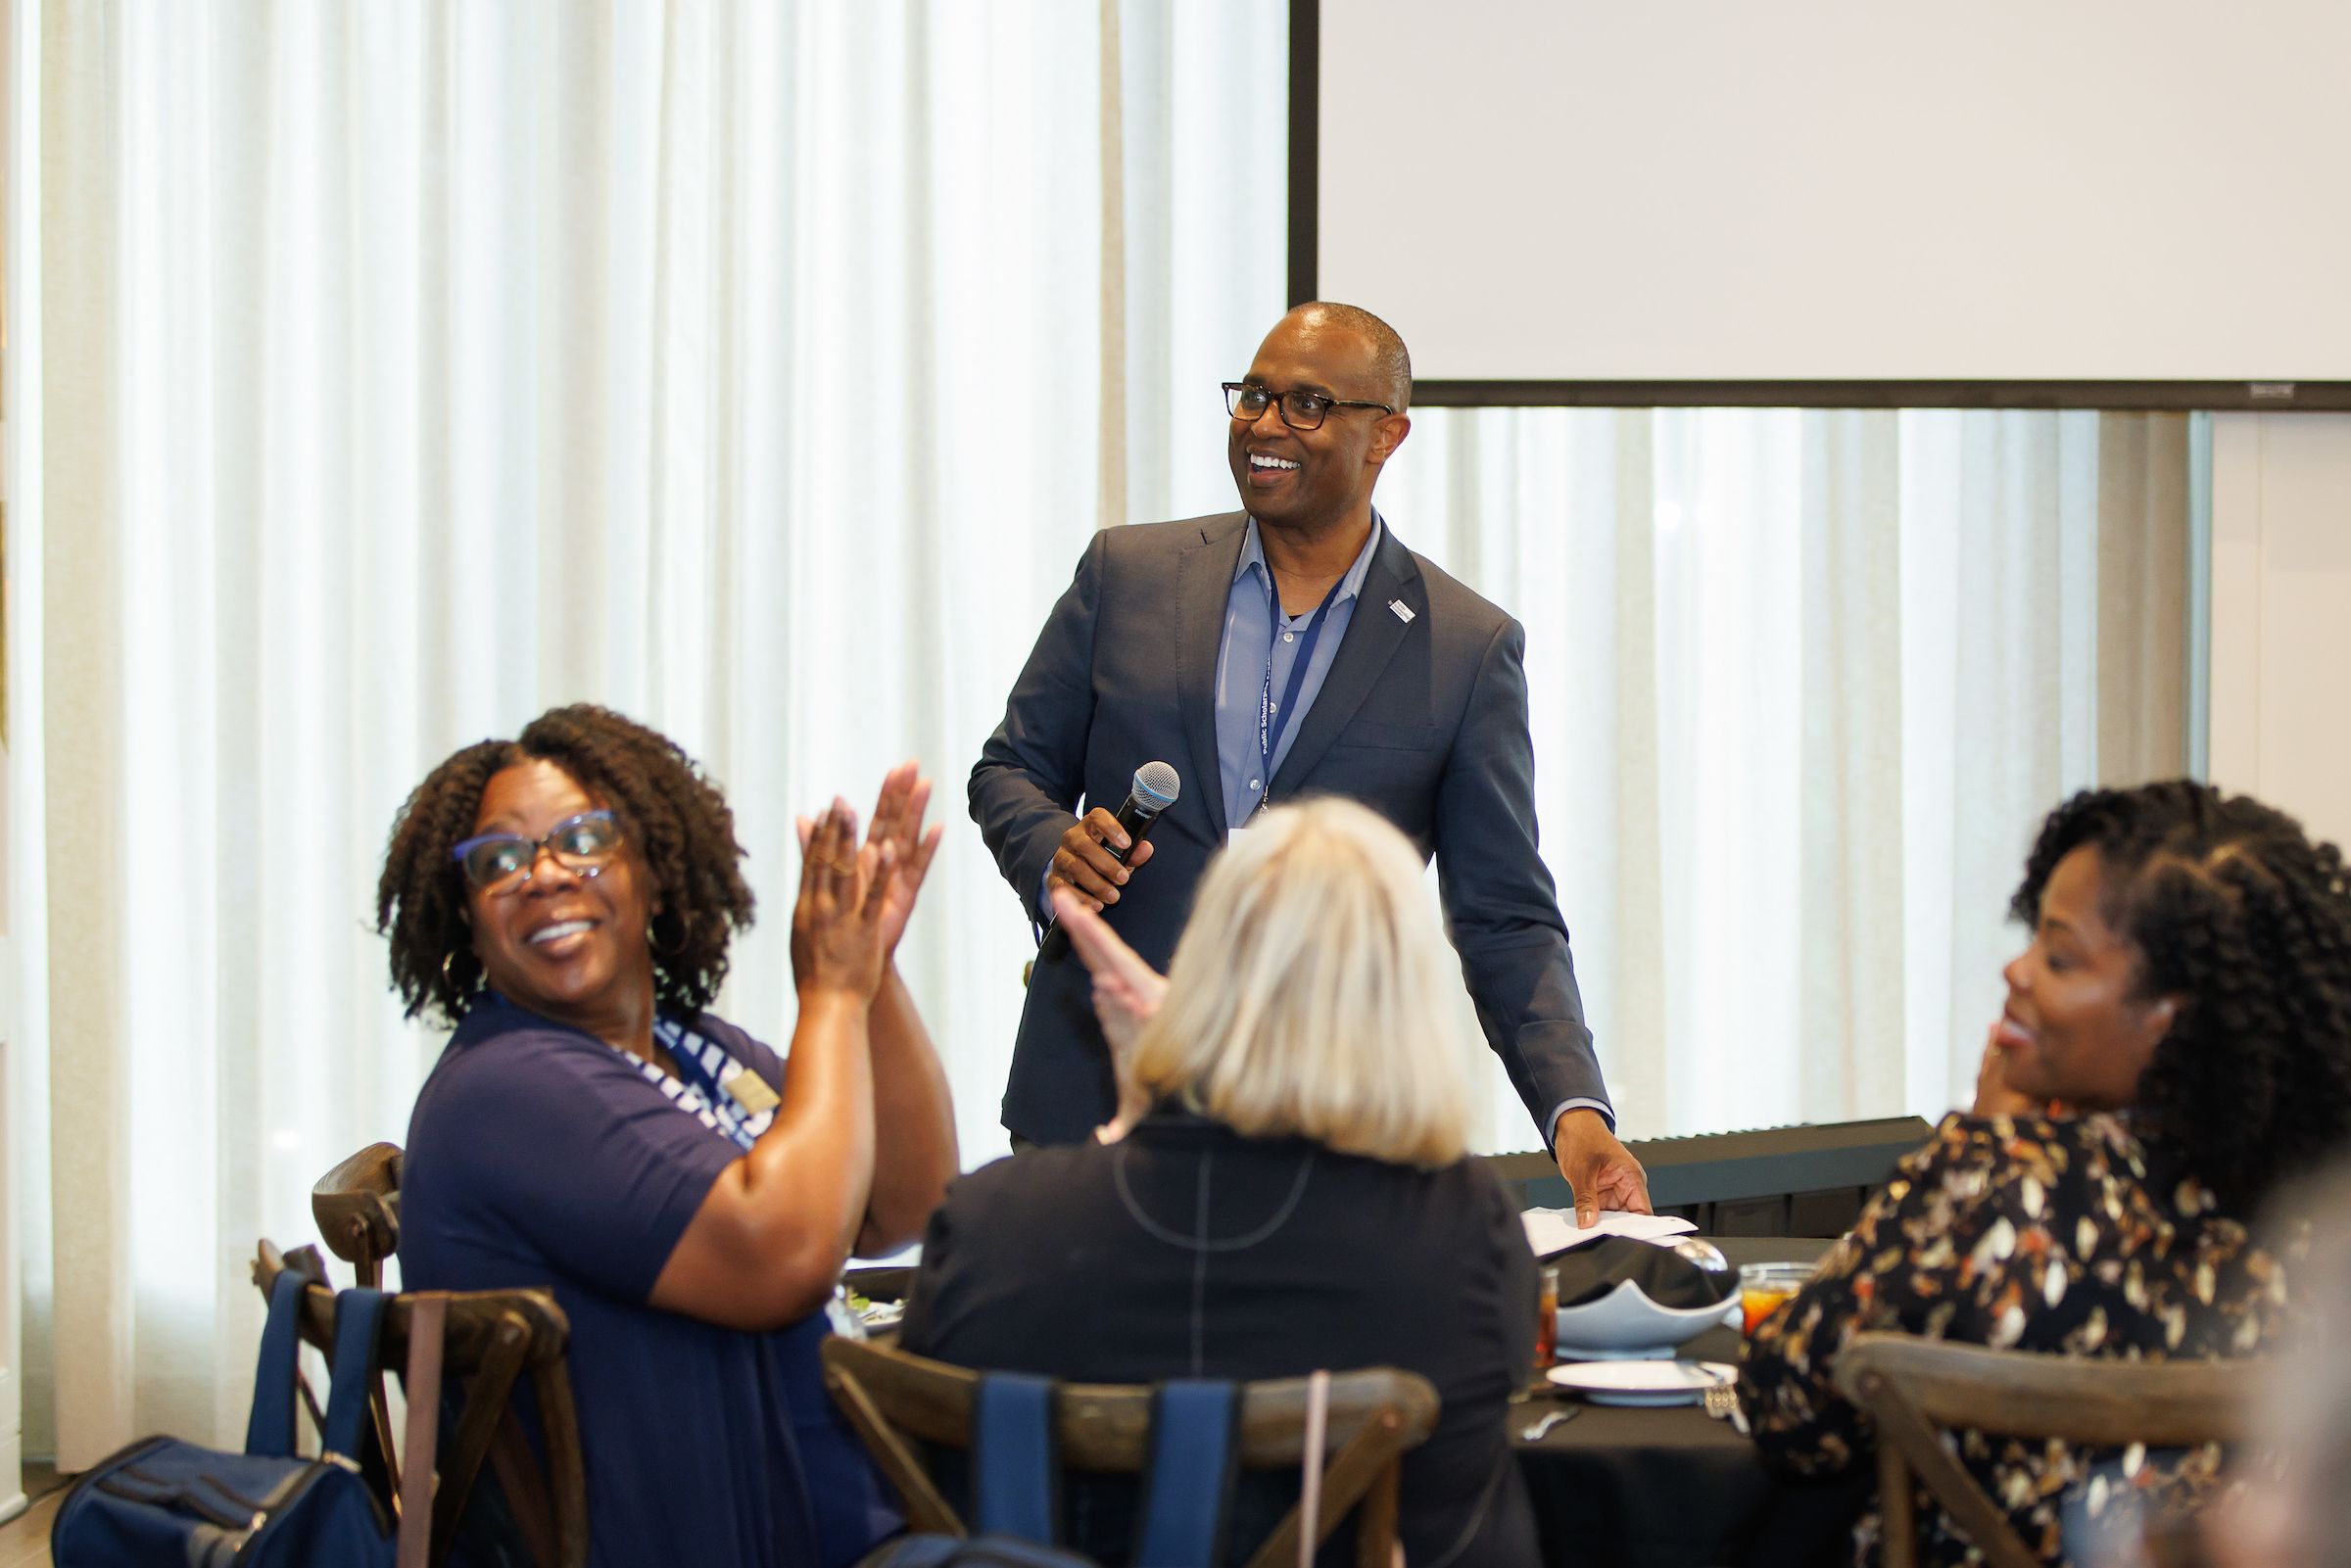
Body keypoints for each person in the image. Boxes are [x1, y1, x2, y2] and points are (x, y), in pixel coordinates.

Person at [970, 300, 1648, 1220]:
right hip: (1091, 1101)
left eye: (1307, 405)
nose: (1264, 427)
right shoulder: (1126, 576)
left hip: (1320, 1136)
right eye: (1253, 397)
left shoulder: (1464, 647)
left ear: (1387, 436)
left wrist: (1576, 1113)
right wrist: (1051, 844)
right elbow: (1009, 767)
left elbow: (1505, 917)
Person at [378, 704, 958, 1568]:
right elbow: (787, 1254)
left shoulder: (695, 1047)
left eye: (583, 838)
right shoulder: (507, 1091)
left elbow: (898, 1203)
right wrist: (831, 996)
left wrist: (869, 969)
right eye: (499, 860)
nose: (543, 873)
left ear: (651, 863)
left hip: (841, 1521)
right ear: (466, 914)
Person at [900, 798, 1541, 1567]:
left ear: (1202, 962)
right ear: (1411, 1007)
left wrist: (1138, 1111)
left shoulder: (989, 1226)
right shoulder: (1461, 1234)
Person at [1738, 781, 2351, 1567]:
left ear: (2169, 1016)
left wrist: (1982, 1141)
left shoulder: (1997, 1188)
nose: (2017, 969)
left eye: (2059, 956)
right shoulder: (2322, 1230)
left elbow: (1787, 1410)